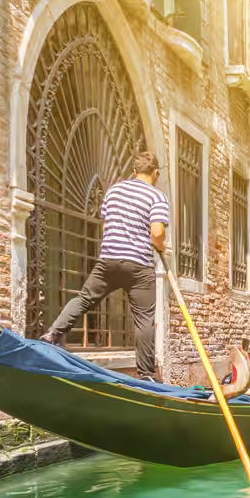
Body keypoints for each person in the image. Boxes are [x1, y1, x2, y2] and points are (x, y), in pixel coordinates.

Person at [40, 151, 168, 381]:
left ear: (135, 171)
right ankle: (147, 374)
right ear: (156, 172)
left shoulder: (113, 191)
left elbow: (107, 225)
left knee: (84, 298)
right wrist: (161, 246)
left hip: (108, 260)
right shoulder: (157, 196)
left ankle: (53, 333)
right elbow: (157, 233)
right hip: (139, 265)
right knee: (144, 319)